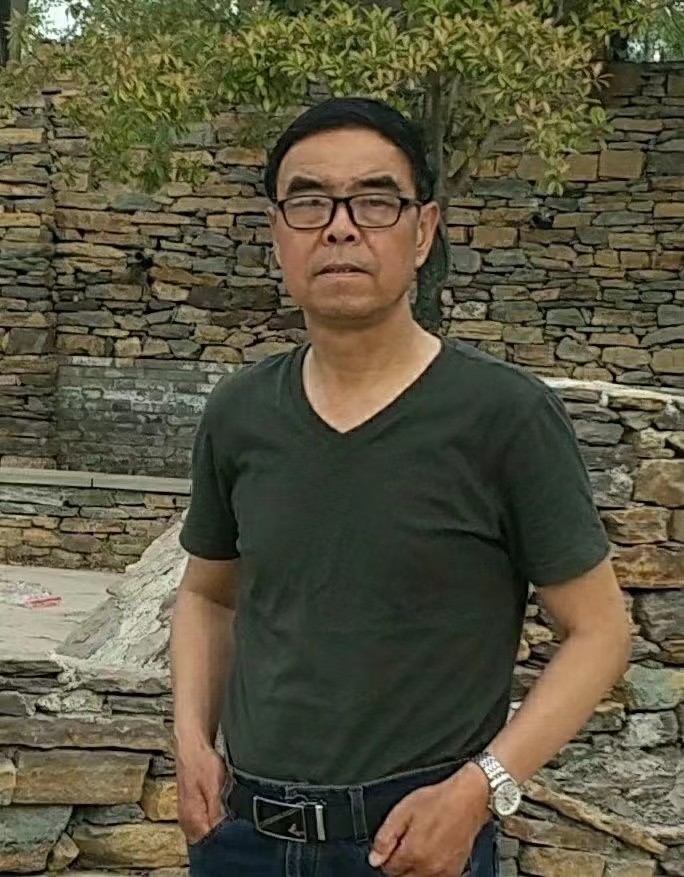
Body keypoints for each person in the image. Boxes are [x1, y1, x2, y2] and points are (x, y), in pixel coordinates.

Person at [170, 97, 631, 877]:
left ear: (423, 231)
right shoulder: (241, 411)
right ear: (277, 232)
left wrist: (482, 788)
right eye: (309, 202)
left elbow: (600, 631)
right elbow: (208, 594)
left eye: (375, 201)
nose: (340, 228)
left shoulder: (503, 416)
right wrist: (189, 737)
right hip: (241, 837)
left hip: (416, 842)